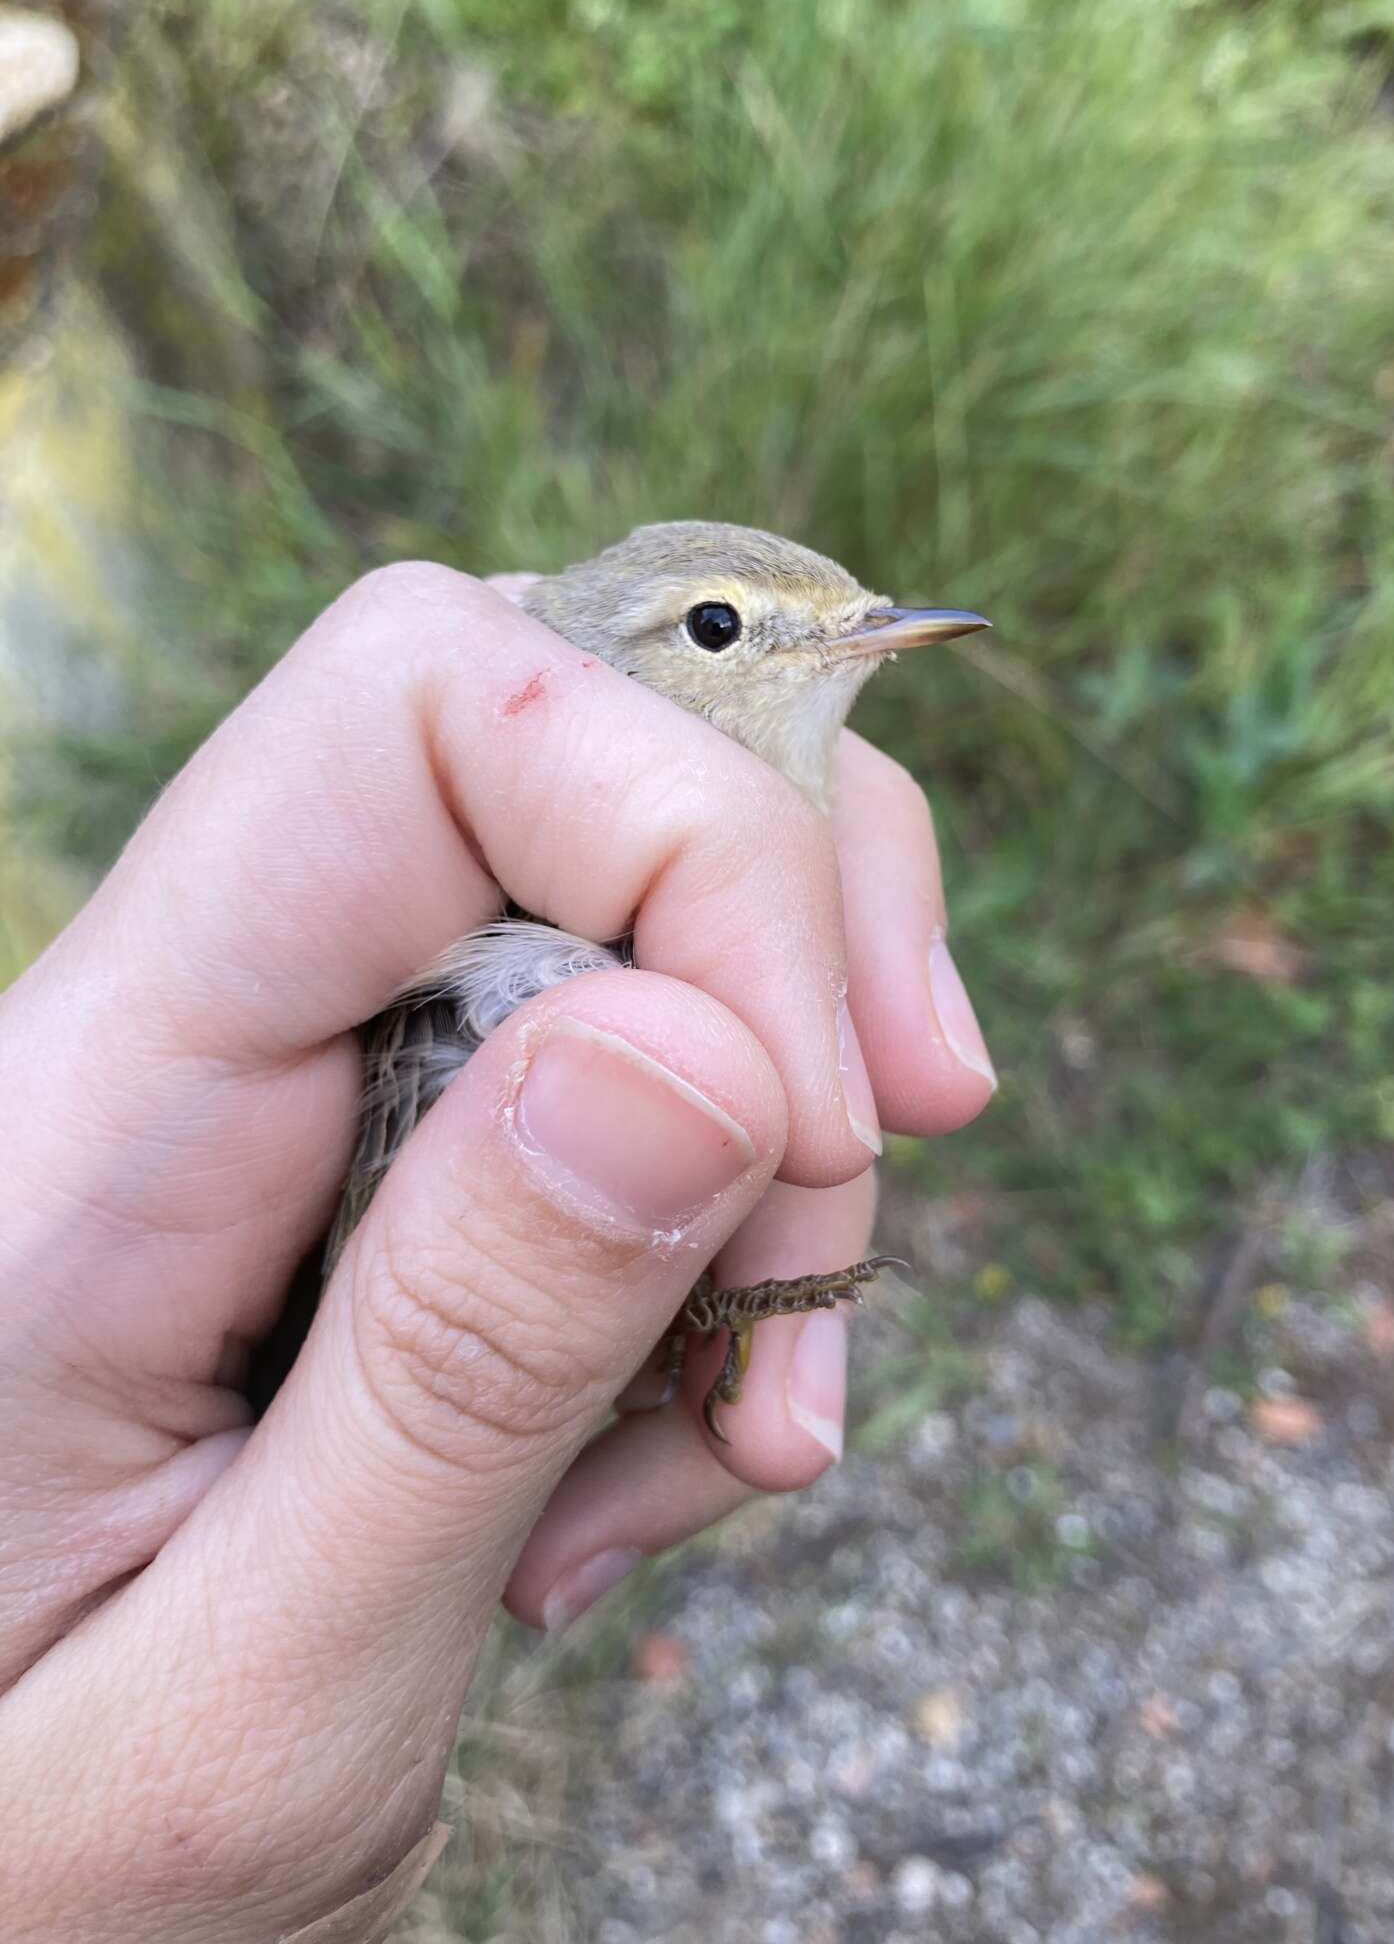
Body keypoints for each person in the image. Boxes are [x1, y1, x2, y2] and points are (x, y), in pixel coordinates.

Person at [0, 563, 995, 1940]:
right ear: (624, 663)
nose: (838, 644)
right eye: (722, 627)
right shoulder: (528, 910)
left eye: (843, 619)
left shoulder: (754, 829)